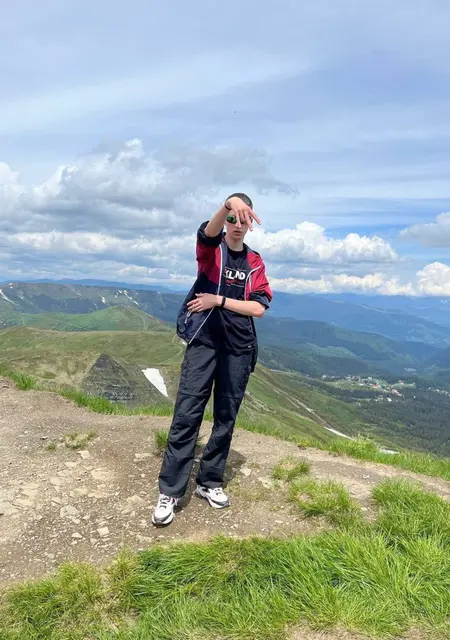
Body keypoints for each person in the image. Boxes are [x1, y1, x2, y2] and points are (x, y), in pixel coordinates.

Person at [152, 193, 272, 526]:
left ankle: (209, 481)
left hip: (238, 347)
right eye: (232, 219)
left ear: (250, 224)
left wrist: (218, 300)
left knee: (225, 417)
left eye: (242, 220)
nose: (236, 225)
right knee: (187, 414)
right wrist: (228, 203)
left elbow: (259, 307)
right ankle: (170, 491)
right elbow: (206, 233)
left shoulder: (255, 262)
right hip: (204, 344)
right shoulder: (212, 252)